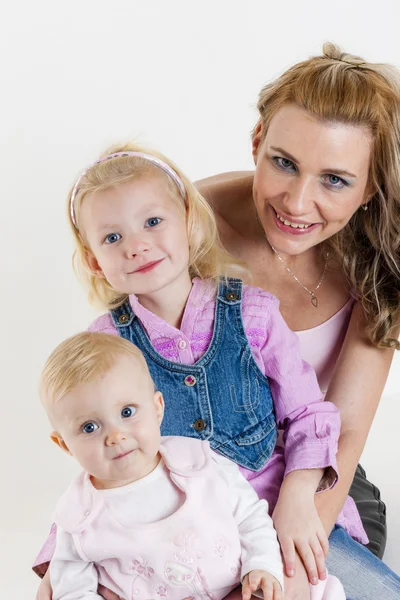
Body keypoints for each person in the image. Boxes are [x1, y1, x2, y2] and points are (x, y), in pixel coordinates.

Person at [34, 142, 343, 600]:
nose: (136, 246)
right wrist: (56, 569)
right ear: (95, 259)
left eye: (153, 222)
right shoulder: (107, 343)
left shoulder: (251, 314)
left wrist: (298, 501)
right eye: (113, 238)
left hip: (268, 513)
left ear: (189, 220)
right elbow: (98, 451)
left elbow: (308, 415)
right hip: (168, 542)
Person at [194, 42, 400, 598]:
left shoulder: (381, 259)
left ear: (371, 186)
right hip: (194, 489)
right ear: (258, 141)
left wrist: (288, 558)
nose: (298, 202)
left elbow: (348, 426)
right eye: (283, 162)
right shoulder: (188, 225)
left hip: (322, 486)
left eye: (334, 179)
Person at [39, 331, 288, 600]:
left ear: (157, 408)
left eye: (127, 412)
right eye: (90, 427)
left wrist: (262, 565)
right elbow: (73, 592)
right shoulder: (78, 519)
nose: (115, 437)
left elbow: (250, 516)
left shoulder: (199, 463)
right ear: (64, 444)